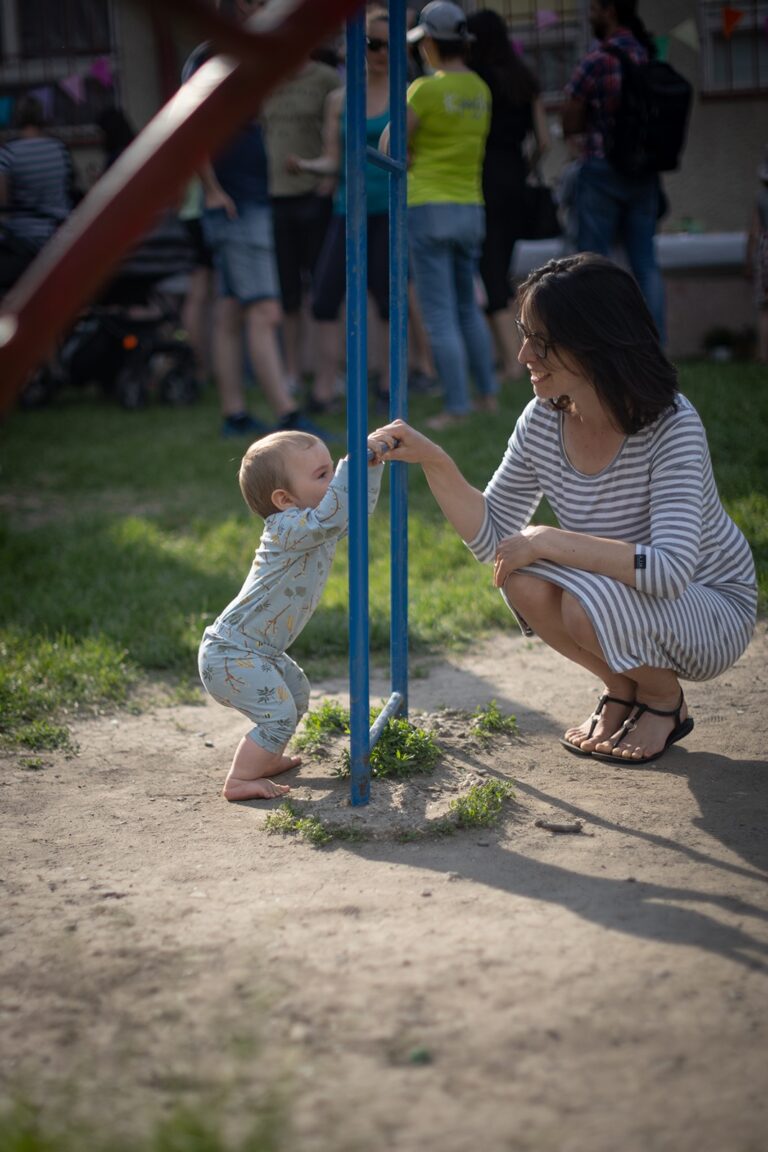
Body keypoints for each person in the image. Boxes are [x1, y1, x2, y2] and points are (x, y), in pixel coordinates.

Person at [372, 254, 757, 765]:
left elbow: (668, 571)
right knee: (520, 577)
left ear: (595, 341)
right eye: (524, 333)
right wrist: (434, 460)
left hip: (710, 607)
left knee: (576, 599)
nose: (524, 353)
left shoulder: (672, 424)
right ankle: (623, 689)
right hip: (629, 599)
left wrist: (549, 541)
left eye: (542, 340)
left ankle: (664, 701)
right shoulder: (542, 420)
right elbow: (494, 540)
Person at [198, 429, 388, 801]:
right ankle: (240, 780)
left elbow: (354, 514)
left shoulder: (316, 525)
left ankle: (266, 758)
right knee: (279, 713)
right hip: (230, 653)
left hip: (257, 651)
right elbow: (332, 517)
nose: (334, 482)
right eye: (323, 476)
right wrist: (352, 467)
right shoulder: (287, 528)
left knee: (297, 695)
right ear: (284, 499)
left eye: (333, 472)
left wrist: (370, 470)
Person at [182, 0, 327, 439]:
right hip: (236, 205)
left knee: (231, 311)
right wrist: (211, 188)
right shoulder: (212, 57)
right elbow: (190, 125)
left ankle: (234, 414)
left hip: (244, 201)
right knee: (265, 310)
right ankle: (287, 413)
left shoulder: (238, 55)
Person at [390, 0, 498, 430]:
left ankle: (457, 406)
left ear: (430, 43)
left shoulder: (424, 90)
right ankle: (487, 396)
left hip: (428, 208)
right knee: (468, 307)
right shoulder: (481, 90)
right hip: (470, 208)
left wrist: (412, 151)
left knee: (439, 313)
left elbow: (388, 146)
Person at [287, 7, 392, 412]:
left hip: (388, 210)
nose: (378, 51)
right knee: (323, 298)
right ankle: (325, 389)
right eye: (371, 43)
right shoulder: (340, 99)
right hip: (348, 211)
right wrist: (307, 165)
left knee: (387, 300)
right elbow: (334, 159)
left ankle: (387, 384)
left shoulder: (406, 94)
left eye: (386, 44)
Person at [561, 0, 667, 343]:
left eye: (593, 8)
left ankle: (596, 343)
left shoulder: (598, 59)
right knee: (645, 264)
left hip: (601, 168)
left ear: (610, 9)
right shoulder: (647, 55)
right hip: (643, 172)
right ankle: (654, 347)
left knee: (592, 263)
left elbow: (570, 118)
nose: (589, 15)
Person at [466, 9, 551, 383]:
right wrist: (525, 166)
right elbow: (544, 140)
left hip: (482, 180)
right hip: (515, 180)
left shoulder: (476, 81)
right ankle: (517, 356)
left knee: (492, 273)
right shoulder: (524, 77)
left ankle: (511, 364)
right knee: (506, 269)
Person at [260, 46, 342, 400]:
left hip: (315, 192)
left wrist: (329, 179)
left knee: (323, 290)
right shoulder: (266, 78)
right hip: (277, 195)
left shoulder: (324, 78)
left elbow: (337, 132)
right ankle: (293, 371)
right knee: (288, 293)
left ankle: (332, 371)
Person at [0, 96, 76, 295]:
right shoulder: (59, 149)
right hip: (59, 233)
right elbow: (68, 186)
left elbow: (2, 200)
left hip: (24, 238)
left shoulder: (9, 153)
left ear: (16, 118)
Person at [746, 147, 768, 364]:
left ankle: (763, 353)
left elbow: (754, 232)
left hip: (764, 253)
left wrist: (748, 261)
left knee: (764, 308)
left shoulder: (761, 198)